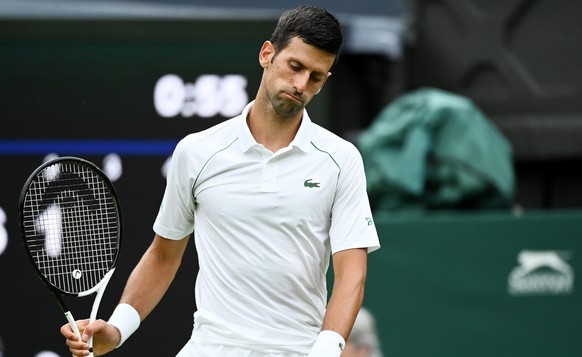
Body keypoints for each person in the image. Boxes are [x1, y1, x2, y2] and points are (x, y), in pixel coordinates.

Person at [61, 5, 380, 357]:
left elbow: (352, 275)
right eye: (295, 66)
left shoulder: (342, 159)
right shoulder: (197, 151)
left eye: (316, 77)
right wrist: (118, 329)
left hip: (298, 348)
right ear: (267, 54)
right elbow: (164, 255)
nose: (301, 85)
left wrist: (326, 349)